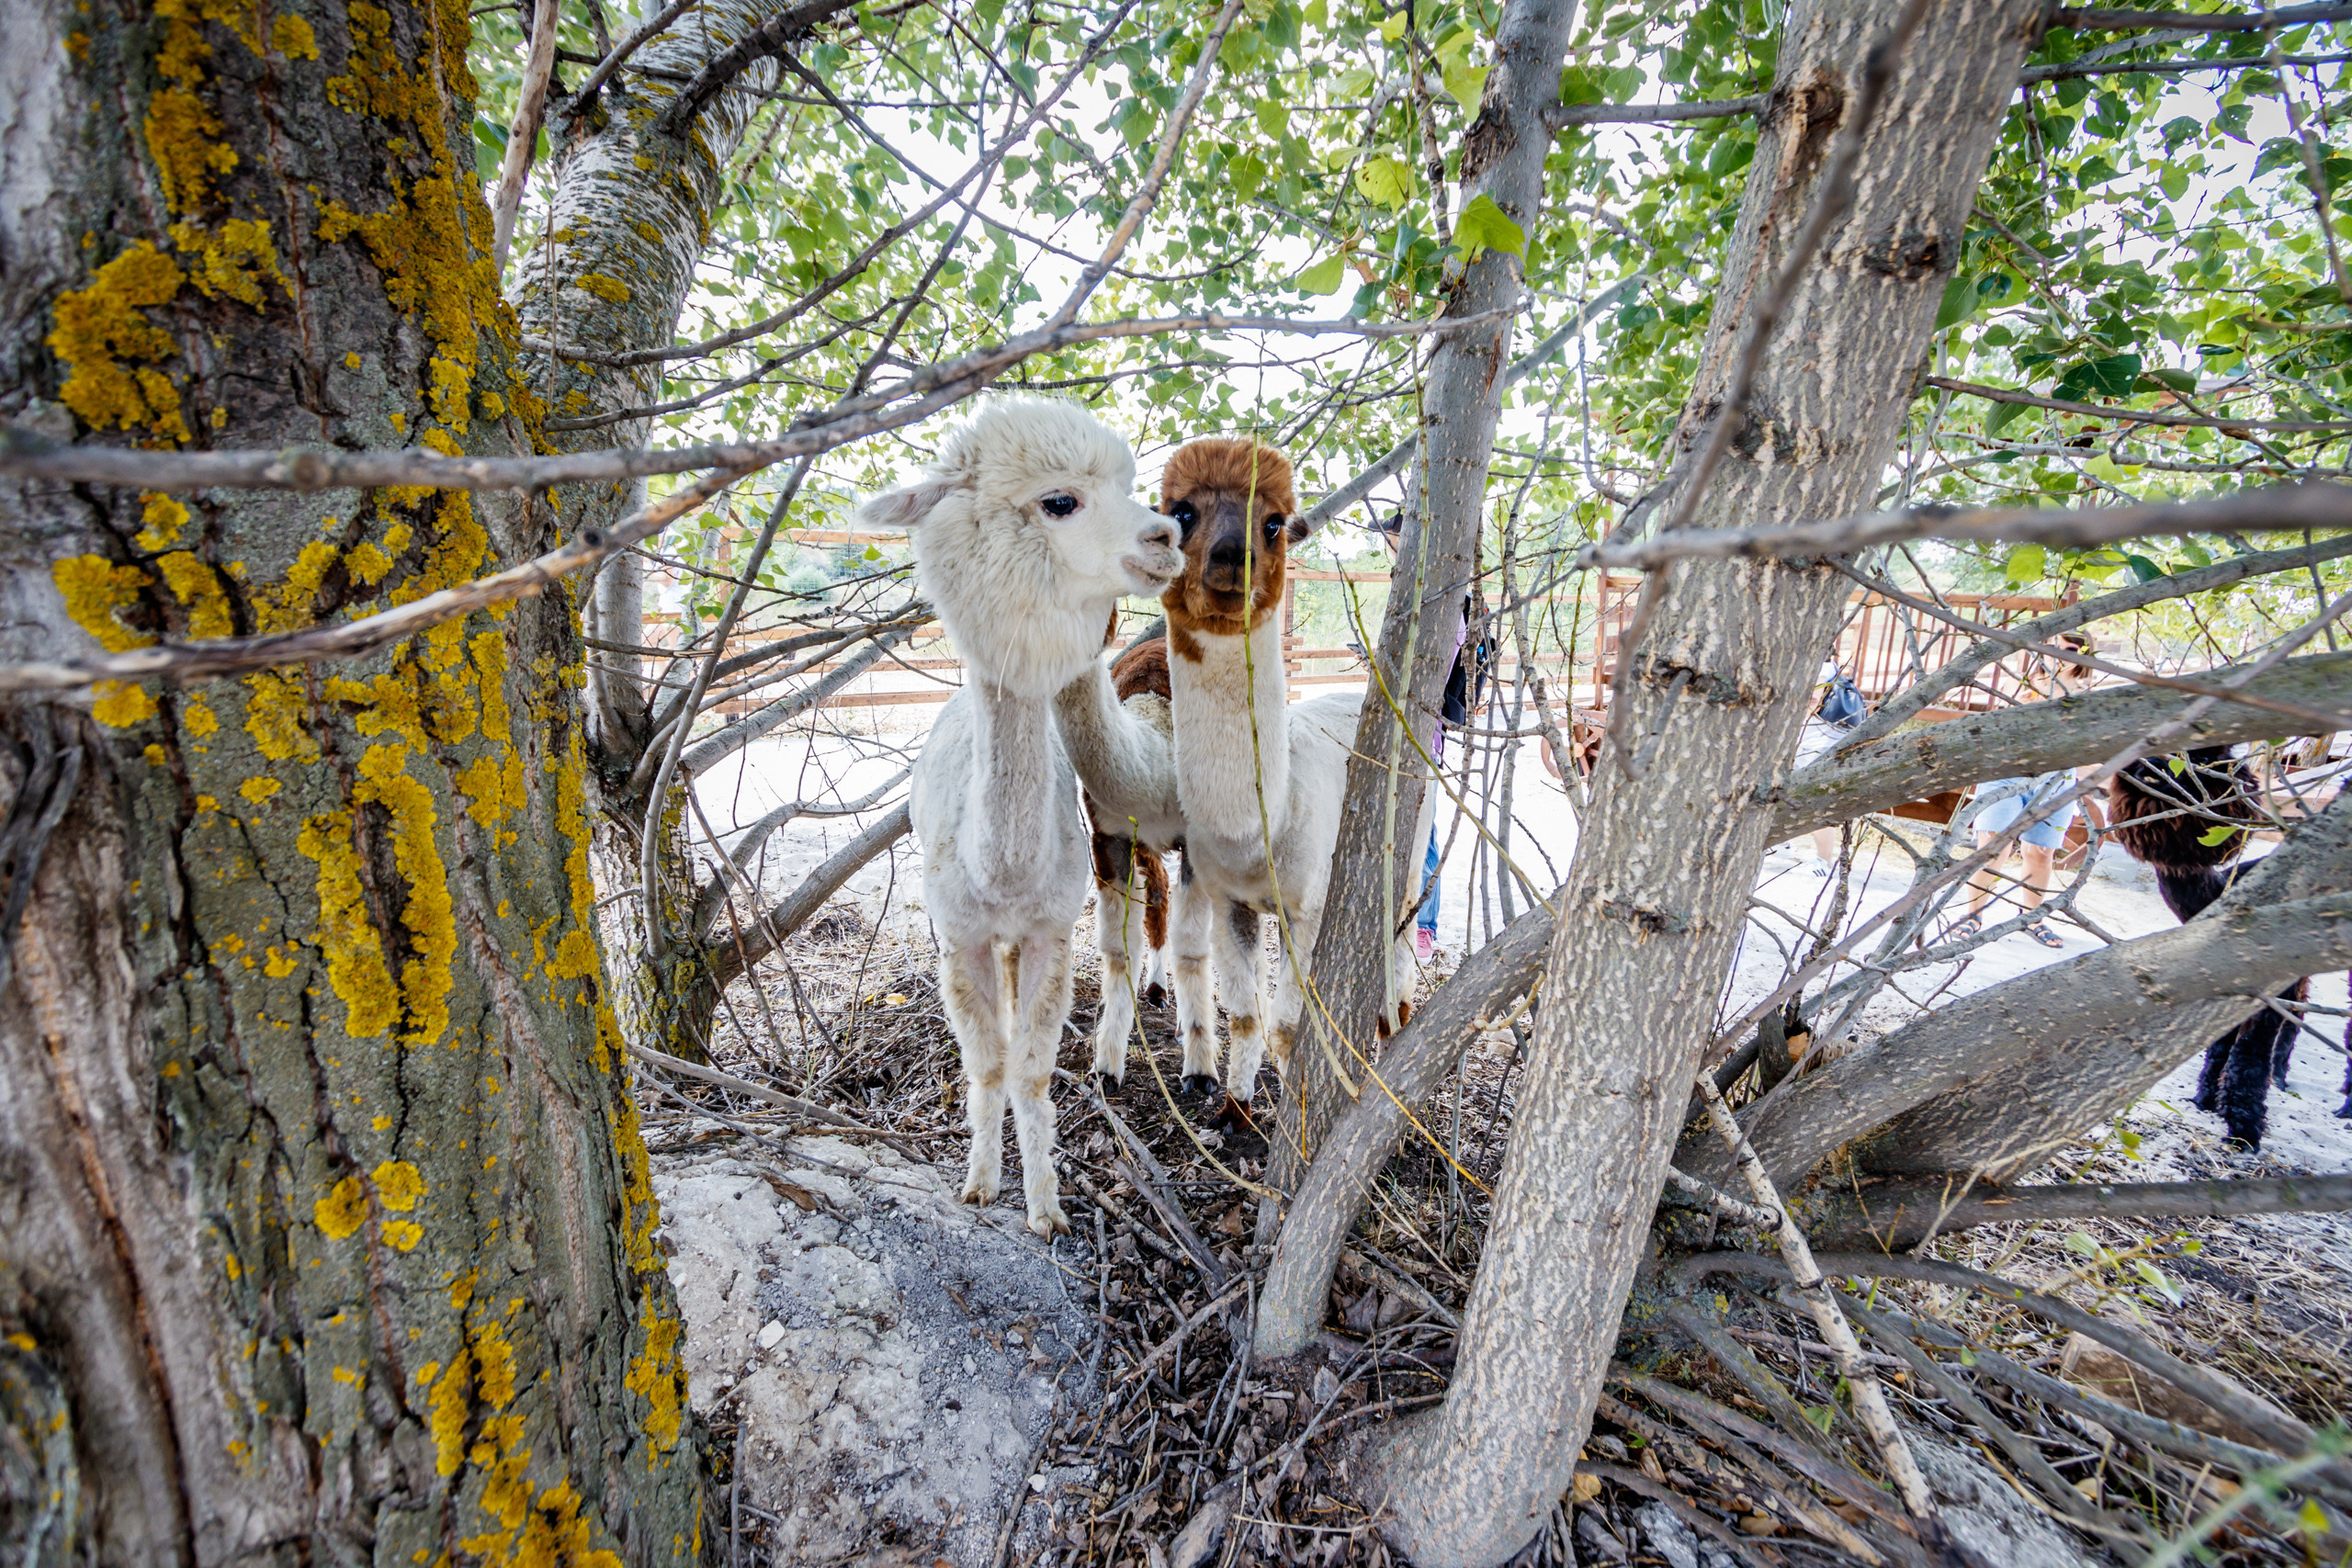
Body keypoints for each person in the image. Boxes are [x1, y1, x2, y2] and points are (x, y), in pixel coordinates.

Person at [1374, 512, 1485, 961]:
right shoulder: (1420, 594)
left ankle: (1426, 927)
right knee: (1402, 824)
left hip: (1423, 729)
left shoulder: (1444, 603)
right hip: (1405, 725)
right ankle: (1405, 920)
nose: (1390, 544)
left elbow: (1433, 670)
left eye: (1393, 537)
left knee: (1425, 829)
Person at [1956, 635, 2105, 948]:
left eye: (2071, 650)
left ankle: (2032, 918)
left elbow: (2087, 748)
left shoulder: (2088, 696)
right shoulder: (2023, 684)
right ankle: (1971, 916)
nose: (2059, 655)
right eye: (2053, 647)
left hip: (2057, 780)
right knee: (1994, 846)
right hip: (2007, 775)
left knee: (2041, 852)